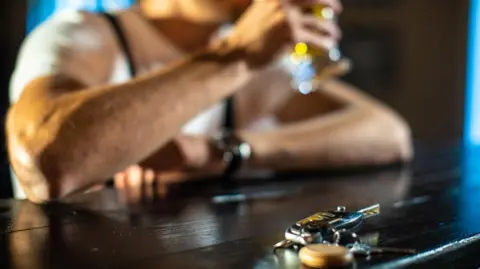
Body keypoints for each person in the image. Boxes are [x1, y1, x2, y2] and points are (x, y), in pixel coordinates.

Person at [7, 0, 412, 203]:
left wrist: (216, 152)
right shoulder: (79, 37)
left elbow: (388, 133)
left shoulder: (251, 62)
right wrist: (236, 56)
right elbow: (45, 162)